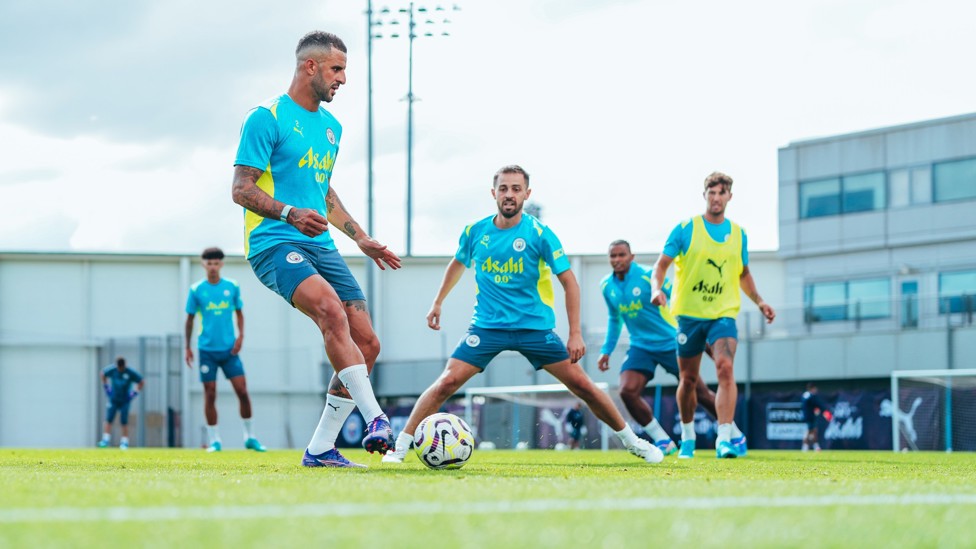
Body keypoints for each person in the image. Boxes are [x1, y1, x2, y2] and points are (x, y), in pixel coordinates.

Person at [382, 165, 663, 464]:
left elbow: (570, 282)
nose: (509, 195)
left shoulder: (540, 234)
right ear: (494, 193)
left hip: (534, 328)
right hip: (487, 327)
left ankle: (633, 442)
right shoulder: (475, 232)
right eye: (503, 188)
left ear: (527, 194)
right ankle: (398, 448)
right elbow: (457, 263)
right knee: (447, 382)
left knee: (583, 385)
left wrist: (575, 333)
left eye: (516, 189)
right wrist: (437, 302)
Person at [231, 31, 401, 468]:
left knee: (367, 343)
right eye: (337, 69)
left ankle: (321, 448)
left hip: (321, 245)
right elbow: (241, 189)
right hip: (272, 242)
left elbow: (322, 191)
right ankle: (377, 419)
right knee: (330, 310)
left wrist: (360, 237)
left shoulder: (331, 128)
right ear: (311, 67)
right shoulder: (265, 118)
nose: (343, 79)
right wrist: (288, 213)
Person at [650, 171, 775, 459]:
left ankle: (724, 438)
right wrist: (657, 289)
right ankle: (689, 437)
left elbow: (743, 273)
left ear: (730, 196)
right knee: (688, 380)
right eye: (712, 192)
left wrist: (760, 301)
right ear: (704, 194)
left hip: (723, 314)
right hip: (689, 315)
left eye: (721, 193)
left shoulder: (739, 234)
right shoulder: (685, 229)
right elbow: (661, 266)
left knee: (725, 368)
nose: (716, 198)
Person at [598, 239, 747, 456]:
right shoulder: (606, 285)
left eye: (622, 255)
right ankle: (662, 440)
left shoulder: (649, 276)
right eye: (613, 256)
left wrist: (701, 337)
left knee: (700, 392)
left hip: (670, 341)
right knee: (627, 391)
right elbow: (614, 319)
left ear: (632, 257)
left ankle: (734, 433)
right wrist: (606, 350)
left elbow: (681, 297)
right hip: (640, 346)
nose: (617, 260)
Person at [185, 247, 266, 453]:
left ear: (221, 264)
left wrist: (241, 337)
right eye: (209, 263)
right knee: (210, 393)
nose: (212, 267)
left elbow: (239, 313)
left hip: (230, 351)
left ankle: (250, 437)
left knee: (242, 391)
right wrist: (187, 347)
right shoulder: (196, 290)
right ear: (203, 264)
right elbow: (190, 319)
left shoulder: (232, 286)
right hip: (207, 350)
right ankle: (215, 441)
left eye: (216, 263)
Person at [98, 356, 144, 450]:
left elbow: (141, 381)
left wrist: (134, 393)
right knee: (109, 419)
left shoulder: (129, 372)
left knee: (124, 421)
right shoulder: (113, 370)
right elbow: (102, 374)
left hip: (125, 400)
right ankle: (105, 440)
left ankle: (124, 442)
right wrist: (106, 387)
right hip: (114, 398)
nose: (120, 370)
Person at [801, 382, 833, 452]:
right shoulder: (810, 396)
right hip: (810, 417)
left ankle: (814, 446)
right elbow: (818, 404)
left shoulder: (805, 395)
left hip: (808, 416)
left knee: (814, 431)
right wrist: (825, 411)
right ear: (812, 388)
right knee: (809, 432)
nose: (816, 390)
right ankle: (805, 447)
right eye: (815, 388)